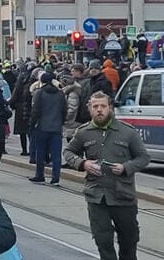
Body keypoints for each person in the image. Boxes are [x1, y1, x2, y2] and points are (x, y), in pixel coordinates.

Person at [62, 92, 150, 260]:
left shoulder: (127, 132)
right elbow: (68, 152)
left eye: (103, 106)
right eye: (95, 106)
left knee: (128, 241)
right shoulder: (83, 132)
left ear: (110, 108)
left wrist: (126, 167)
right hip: (96, 196)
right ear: (89, 109)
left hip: (123, 196)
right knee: (103, 239)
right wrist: (83, 163)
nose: (99, 110)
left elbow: (143, 158)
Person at [29, 72, 65, 185]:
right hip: (56, 127)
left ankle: (40, 175)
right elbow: (64, 110)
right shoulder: (60, 94)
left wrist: (31, 124)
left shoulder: (39, 93)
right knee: (56, 154)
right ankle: (55, 177)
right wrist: (60, 122)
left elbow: (35, 111)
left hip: (42, 126)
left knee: (40, 152)